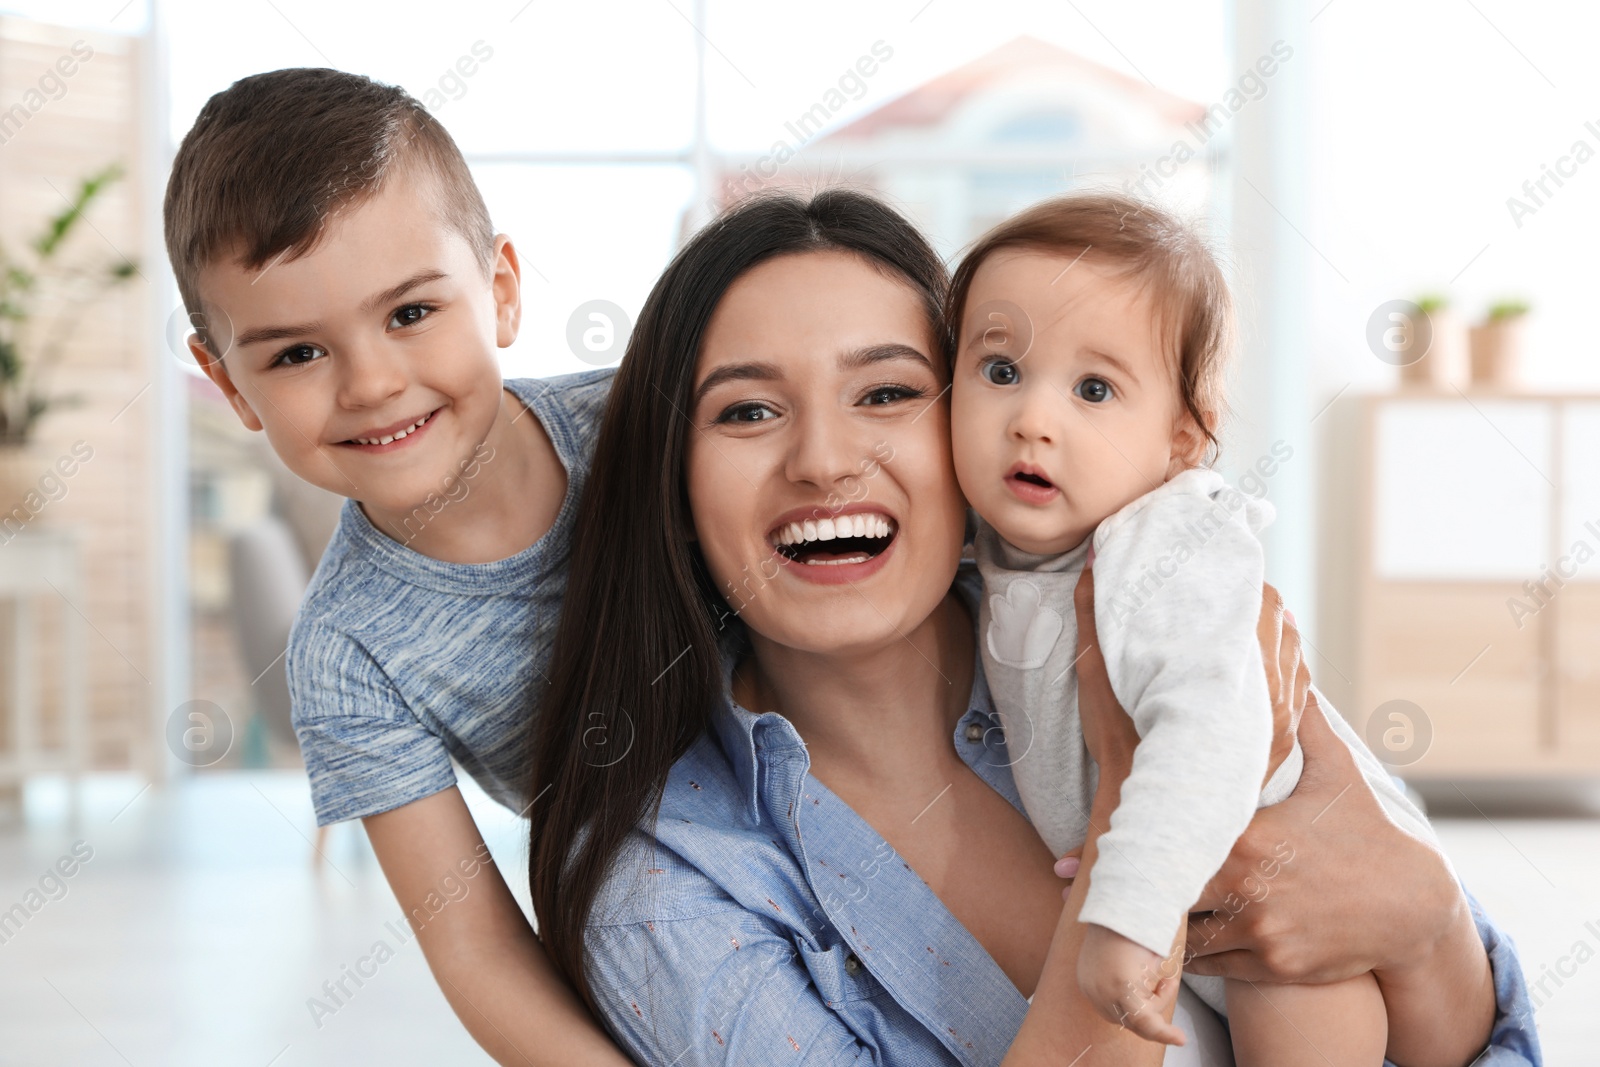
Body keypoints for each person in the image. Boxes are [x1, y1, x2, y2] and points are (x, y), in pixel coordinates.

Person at [526, 189, 1539, 1065]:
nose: (823, 459)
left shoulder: (1137, 608)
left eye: (885, 391)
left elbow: (1472, 1035)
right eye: (747, 412)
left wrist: (1424, 916)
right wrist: (1118, 810)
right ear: (671, 471)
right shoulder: (668, 884)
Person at [163, 68, 628, 1066]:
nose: (372, 383)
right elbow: (475, 945)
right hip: (668, 906)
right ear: (228, 384)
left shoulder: (639, 424)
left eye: (411, 313)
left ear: (500, 289)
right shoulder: (345, 652)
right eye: (295, 354)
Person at [949, 193, 1417, 1062]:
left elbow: (1210, 727)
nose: (1033, 419)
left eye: (1094, 389)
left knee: (1295, 1010)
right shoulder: (983, 544)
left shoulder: (1166, 538)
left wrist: (1132, 909)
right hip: (1197, 901)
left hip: (1291, 899)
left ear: (1181, 440)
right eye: (1001, 371)